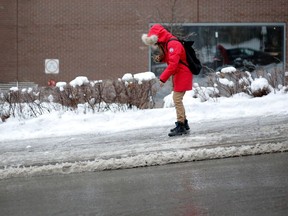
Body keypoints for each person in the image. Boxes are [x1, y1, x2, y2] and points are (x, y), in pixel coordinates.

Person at [141, 24, 193, 137]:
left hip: (182, 74)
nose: (156, 45)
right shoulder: (169, 43)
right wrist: (162, 58)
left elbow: (173, 65)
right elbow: (172, 57)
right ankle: (184, 123)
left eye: (155, 42)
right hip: (180, 74)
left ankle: (181, 125)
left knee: (177, 99)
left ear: (158, 37)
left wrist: (162, 78)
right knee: (177, 99)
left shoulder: (173, 44)